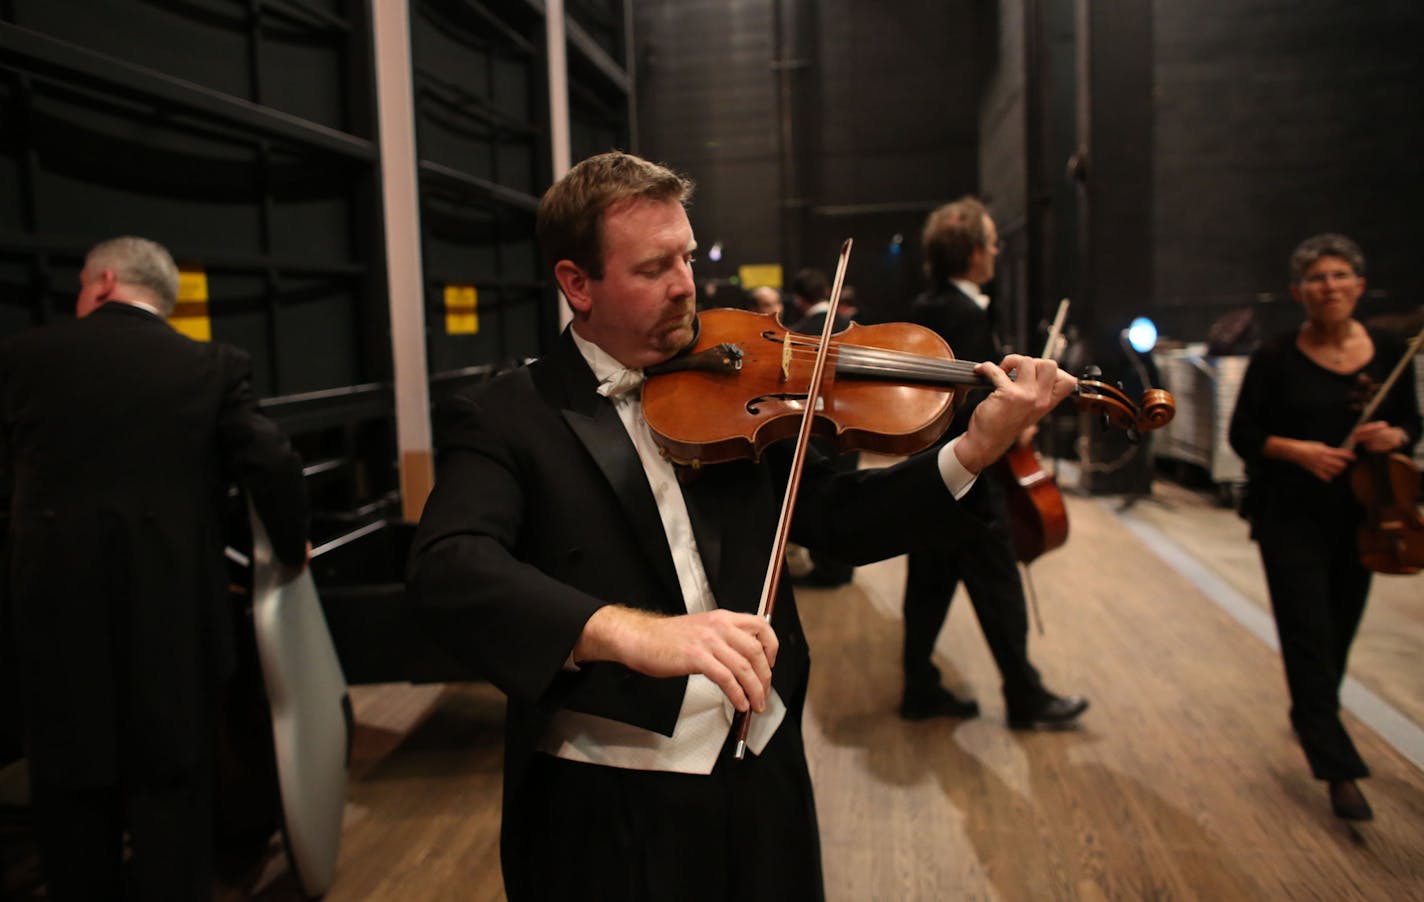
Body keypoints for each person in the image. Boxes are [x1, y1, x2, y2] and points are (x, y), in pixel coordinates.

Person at [406, 151, 1075, 900]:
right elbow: (449, 565)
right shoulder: (506, 416)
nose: (687, 284)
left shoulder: (734, 376)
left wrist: (975, 447)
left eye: (687, 256)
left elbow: (837, 520)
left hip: (767, 771)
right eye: (654, 268)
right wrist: (626, 630)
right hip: (612, 803)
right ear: (577, 284)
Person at [0, 236, 309, 899]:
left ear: (104, 282)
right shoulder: (211, 364)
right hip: (171, 619)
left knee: (69, 798)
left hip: (53, 620)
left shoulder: (22, 358)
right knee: (173, 792)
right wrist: (290, 546)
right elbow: (271, 460)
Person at [1228, 233, 1419, 822]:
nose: (1328, 286)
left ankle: (1315, 711)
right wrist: (1300, 451)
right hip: (1290, 513)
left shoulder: (1389, 350)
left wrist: (1398, 437)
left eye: (1339, 276)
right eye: (1316, 278)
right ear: (1297, 291)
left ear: (1359, 286)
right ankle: (1336, 766)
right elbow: (1245, 435)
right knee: (1307, 630)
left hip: (1365, 513)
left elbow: (1409, 419)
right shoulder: (1276, 356)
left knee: (1339, 628)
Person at [899, 196, 1089, 728]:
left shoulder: (925, 306)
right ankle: (1026, 698)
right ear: (974, 253)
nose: (998, 250)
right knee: (999, 588)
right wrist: (1019, 421)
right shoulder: (963, 314)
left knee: (930, 584)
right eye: (992, 241)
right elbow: (973, 405)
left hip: (932, 472)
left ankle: (918, 687)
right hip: (972, 476)